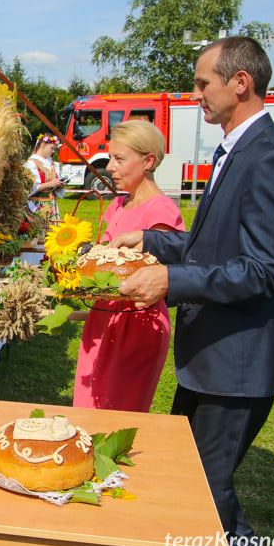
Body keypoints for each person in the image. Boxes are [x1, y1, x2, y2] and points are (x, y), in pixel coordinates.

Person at [112, 37, 274, 546]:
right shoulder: (239, 149)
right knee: (189, 474)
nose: (195, 93)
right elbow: (216, 246)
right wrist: (153, 241)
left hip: (238, 362)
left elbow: (264, 270)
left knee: (201, 484)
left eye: (203, 83)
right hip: (212, 358)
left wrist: (170, 281)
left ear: (239, 82)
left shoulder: (271, 159)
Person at [73, 120, 185, 413]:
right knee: (88, 405)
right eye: (111, 158)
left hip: (138, 324)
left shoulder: (161, 210)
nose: (110, 166)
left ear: (148, 161)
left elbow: (164, 271)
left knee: (120, 412)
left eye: (119, 159)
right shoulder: (119, 205)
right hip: (102, 317)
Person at [24, 134, 65, 219]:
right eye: (51, 148)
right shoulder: (31, 163)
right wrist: (49, 184)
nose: (53, 151)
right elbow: (29, 188)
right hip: (37, 204)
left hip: (51, 204)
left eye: (54, 149)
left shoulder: (52, 163)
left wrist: (60, 186)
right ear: (43, 145)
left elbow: (54, 187)